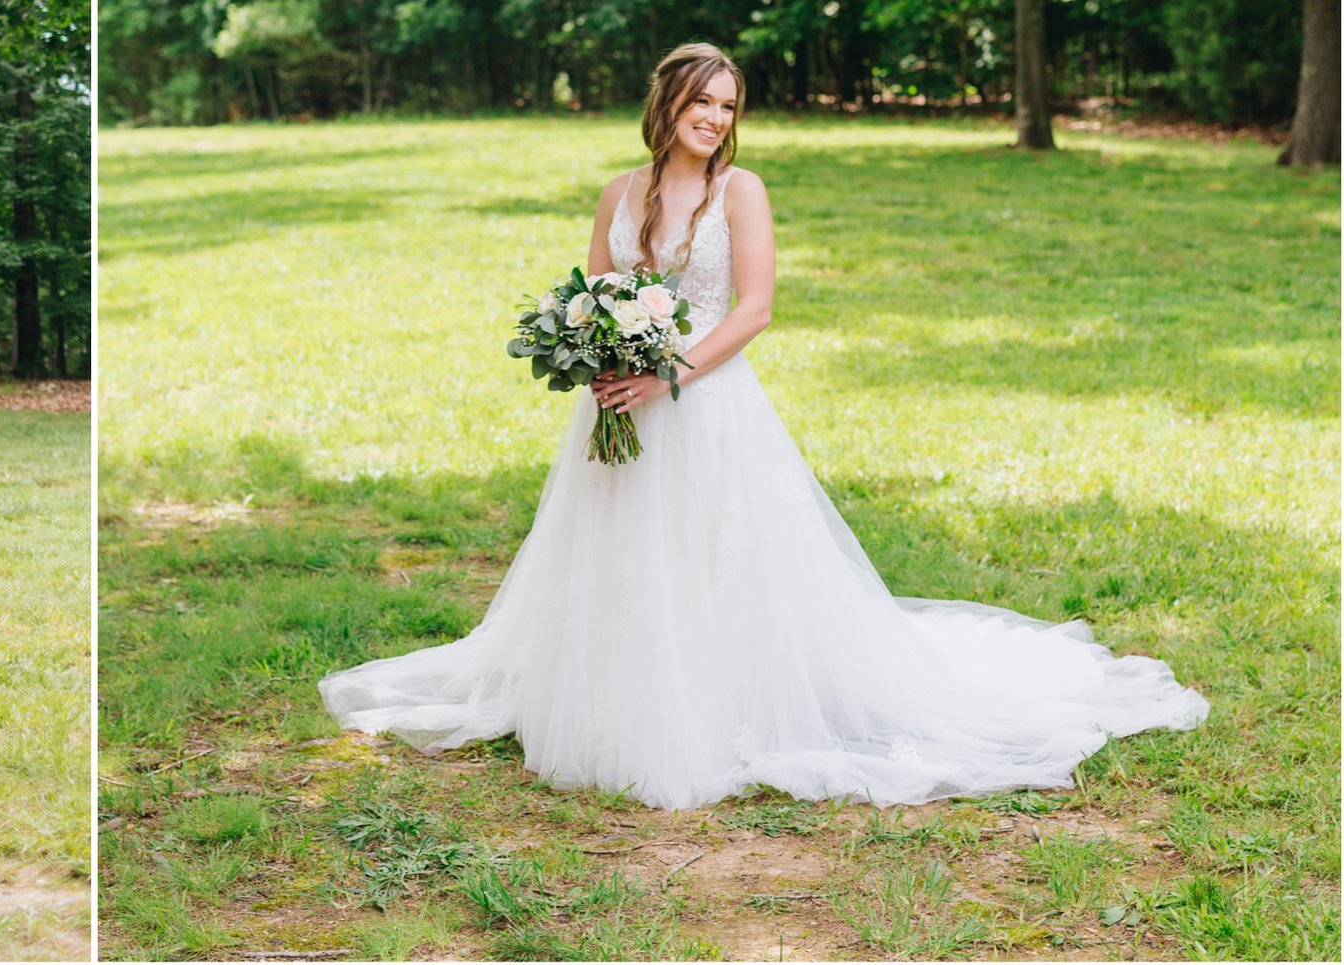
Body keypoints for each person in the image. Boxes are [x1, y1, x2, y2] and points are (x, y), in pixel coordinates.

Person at [319, 41, 1210, 808]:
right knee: (619, 551)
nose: (714, 116)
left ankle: (718, 701)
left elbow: (754, 309)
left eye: (727, 105)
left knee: (717, 551)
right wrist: (599, 363)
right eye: (700, 100)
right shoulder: (618, 193)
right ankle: (616, 695)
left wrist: (667, 373)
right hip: (622, 400)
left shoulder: (741, 190)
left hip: (705, 401)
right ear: (666, 102)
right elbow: (592, 293)